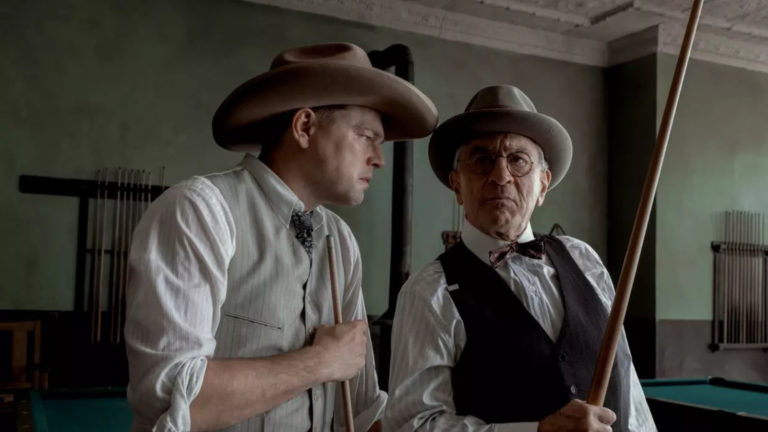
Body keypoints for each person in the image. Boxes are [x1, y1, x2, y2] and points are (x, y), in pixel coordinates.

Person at [124, 42, 438, 432]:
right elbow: (170, 400)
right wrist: (320, 362)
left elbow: (362, 409)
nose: (379, 158)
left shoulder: (340, 241)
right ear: (305, 127)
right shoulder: (199, 211)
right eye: (365, 136)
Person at [384, 85, 656, 432]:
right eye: (482, 160)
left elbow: (629, 390)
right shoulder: (428, 292)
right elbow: (413, 425)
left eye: (518, 160)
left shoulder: (583, 259)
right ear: (457, 184)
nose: (501, 177)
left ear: (543, 184)